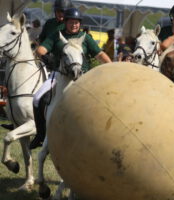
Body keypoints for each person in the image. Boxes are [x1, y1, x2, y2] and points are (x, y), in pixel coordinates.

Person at [29, 8, 112, 149]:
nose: (74, 25)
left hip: (83, 76)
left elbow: (100, 55)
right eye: (72, 22)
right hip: (58, 74)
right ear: (66, 22)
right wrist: (45, 57)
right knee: (37, 98)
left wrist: (112, 66)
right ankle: (40, 135)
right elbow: (41, 49)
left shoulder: (86, 38)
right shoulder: (57, 35)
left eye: (77, 22)